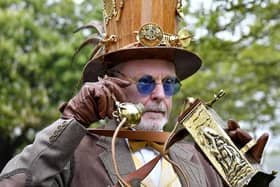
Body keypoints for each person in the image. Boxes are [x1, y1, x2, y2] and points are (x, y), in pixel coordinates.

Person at [0, 0, 271, 186]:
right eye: (144, 82)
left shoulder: (199, 158)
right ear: (110, 84)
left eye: (169, 84)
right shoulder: (72, 154)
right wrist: (71, 122)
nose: (159, 94)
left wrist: (242, 174)